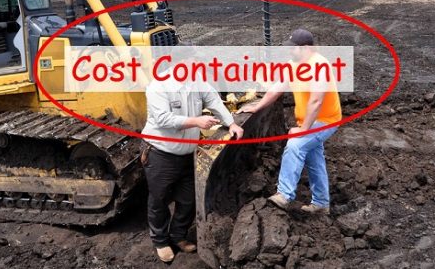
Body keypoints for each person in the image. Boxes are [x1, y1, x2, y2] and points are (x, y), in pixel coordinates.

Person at [141, 48, 244, 263]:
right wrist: (196, 121)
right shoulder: (158, 86)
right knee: (159, 199)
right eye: (192, 61)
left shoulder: (196, 80)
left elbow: (213, 100)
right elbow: (162, 120)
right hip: (162, 152)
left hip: (188, 153)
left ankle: (178, 235)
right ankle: (160, 240)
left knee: (188, 199)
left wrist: (231, 123)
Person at [239, 28, 342, 215]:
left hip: (325, 120)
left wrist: (303, 129)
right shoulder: (293, 64)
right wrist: (257, 107)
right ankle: (321, 204)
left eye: (292, 48)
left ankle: (284, 195)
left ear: (305, 48)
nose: (289, 51)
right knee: (313, 158)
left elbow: (316, 101)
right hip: (310, 120)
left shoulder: (320, 65)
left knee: (295, 145)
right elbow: (276, 89)